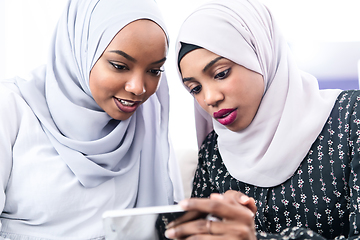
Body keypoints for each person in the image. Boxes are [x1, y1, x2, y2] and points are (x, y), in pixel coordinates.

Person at [163, 0, 360, 239]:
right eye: (195, 88)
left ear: (259, 54)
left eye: (221, 73)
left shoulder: (351, 118)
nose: (210, 98)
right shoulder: (214, 153)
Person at [0, 0, 183, 239]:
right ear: (81, 49)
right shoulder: (12, 107)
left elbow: (173, 219)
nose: (138, 88)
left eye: (154, 71)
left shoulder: (148, 120)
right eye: (119, 66)